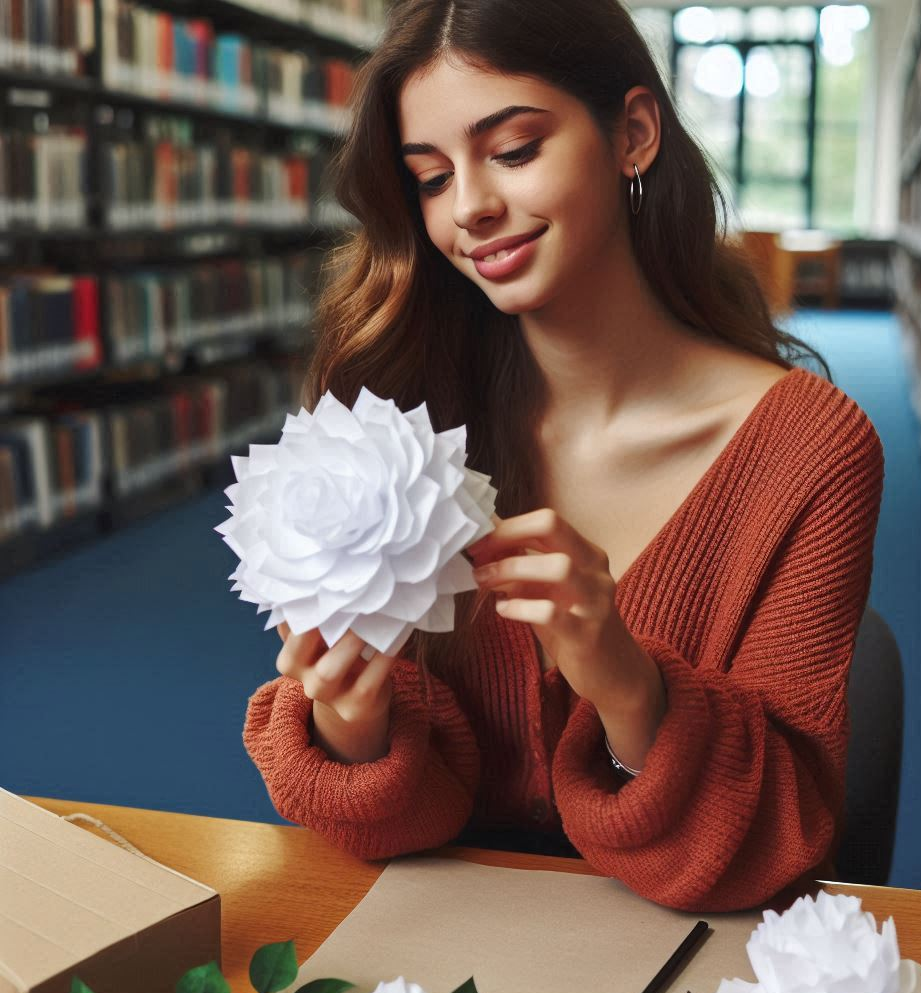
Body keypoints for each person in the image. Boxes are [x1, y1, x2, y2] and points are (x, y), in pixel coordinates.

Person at [243, 0, 885, 913]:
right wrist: (354, 725)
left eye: (512, 150)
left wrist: (628, 683)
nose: (470, 208)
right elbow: (389, 833)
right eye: (429, 179)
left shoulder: (811, 452)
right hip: (434, 955)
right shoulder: (405, 414)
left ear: (632, 133)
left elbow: (779, 836)